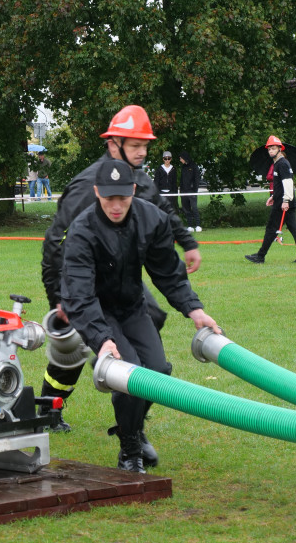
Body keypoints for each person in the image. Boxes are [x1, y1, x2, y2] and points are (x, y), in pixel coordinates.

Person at [38, 104, 200, 458]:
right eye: (135, 144)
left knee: (152, 326)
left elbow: (161, 212)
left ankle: (132, 420)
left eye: (146, 145)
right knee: (84, 347)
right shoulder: (88, 185)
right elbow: (55, 241)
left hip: (123, 278)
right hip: (83, 280)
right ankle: (56, 409)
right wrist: (58, 299)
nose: (143, 151)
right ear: (113, 144)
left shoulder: (137, 177)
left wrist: (186, 242)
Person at [61, 158, 221, 472]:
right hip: (97, 310)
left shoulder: (153, 220)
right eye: (109, 198)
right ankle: (129, 450)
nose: (116, 205)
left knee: (159, 371)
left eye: (123, 197)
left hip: (133, 306)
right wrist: (102, 340)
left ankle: (130, 426)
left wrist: (194, 309)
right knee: (130, 372)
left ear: (134, 190)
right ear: (97, 192)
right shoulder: (81, 231)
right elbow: (79, 296)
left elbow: (169, 273)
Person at [246, 136, 296, 263]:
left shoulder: (282, 164)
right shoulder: (278, 164)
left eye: (273, 148)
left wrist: (285, 201)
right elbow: (280, 185)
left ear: (280, 149)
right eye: (269, 149)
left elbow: (288, 184)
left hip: (283, 203)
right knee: (293, 228)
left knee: (271, 228)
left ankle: (260, 256)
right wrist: (273, 197)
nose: (270, 151)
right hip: (281, 201)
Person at [179, 151, 201, 231]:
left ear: (184, 158)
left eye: (181, 158)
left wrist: (195, 190)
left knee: (194, 208)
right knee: (186, 209)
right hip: (184, 192)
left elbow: (197, 179)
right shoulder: (183, 167)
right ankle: (190, 226)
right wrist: (181, 191)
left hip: (192, 191)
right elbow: (181, 180)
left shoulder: (194, 166)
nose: (180, 160)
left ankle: (198, 225)